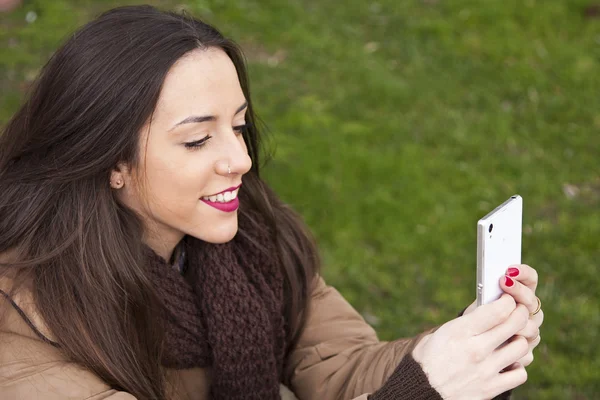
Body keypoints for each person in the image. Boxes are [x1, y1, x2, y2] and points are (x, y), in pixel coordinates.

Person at [0, 5, 544, 400]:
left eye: (238, 126)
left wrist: (464, 349)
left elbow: (340, 367)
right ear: (109, 160)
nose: (238, 159)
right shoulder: (23, 325)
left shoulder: (252, 240)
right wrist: (420, 391)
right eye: (197, 140)